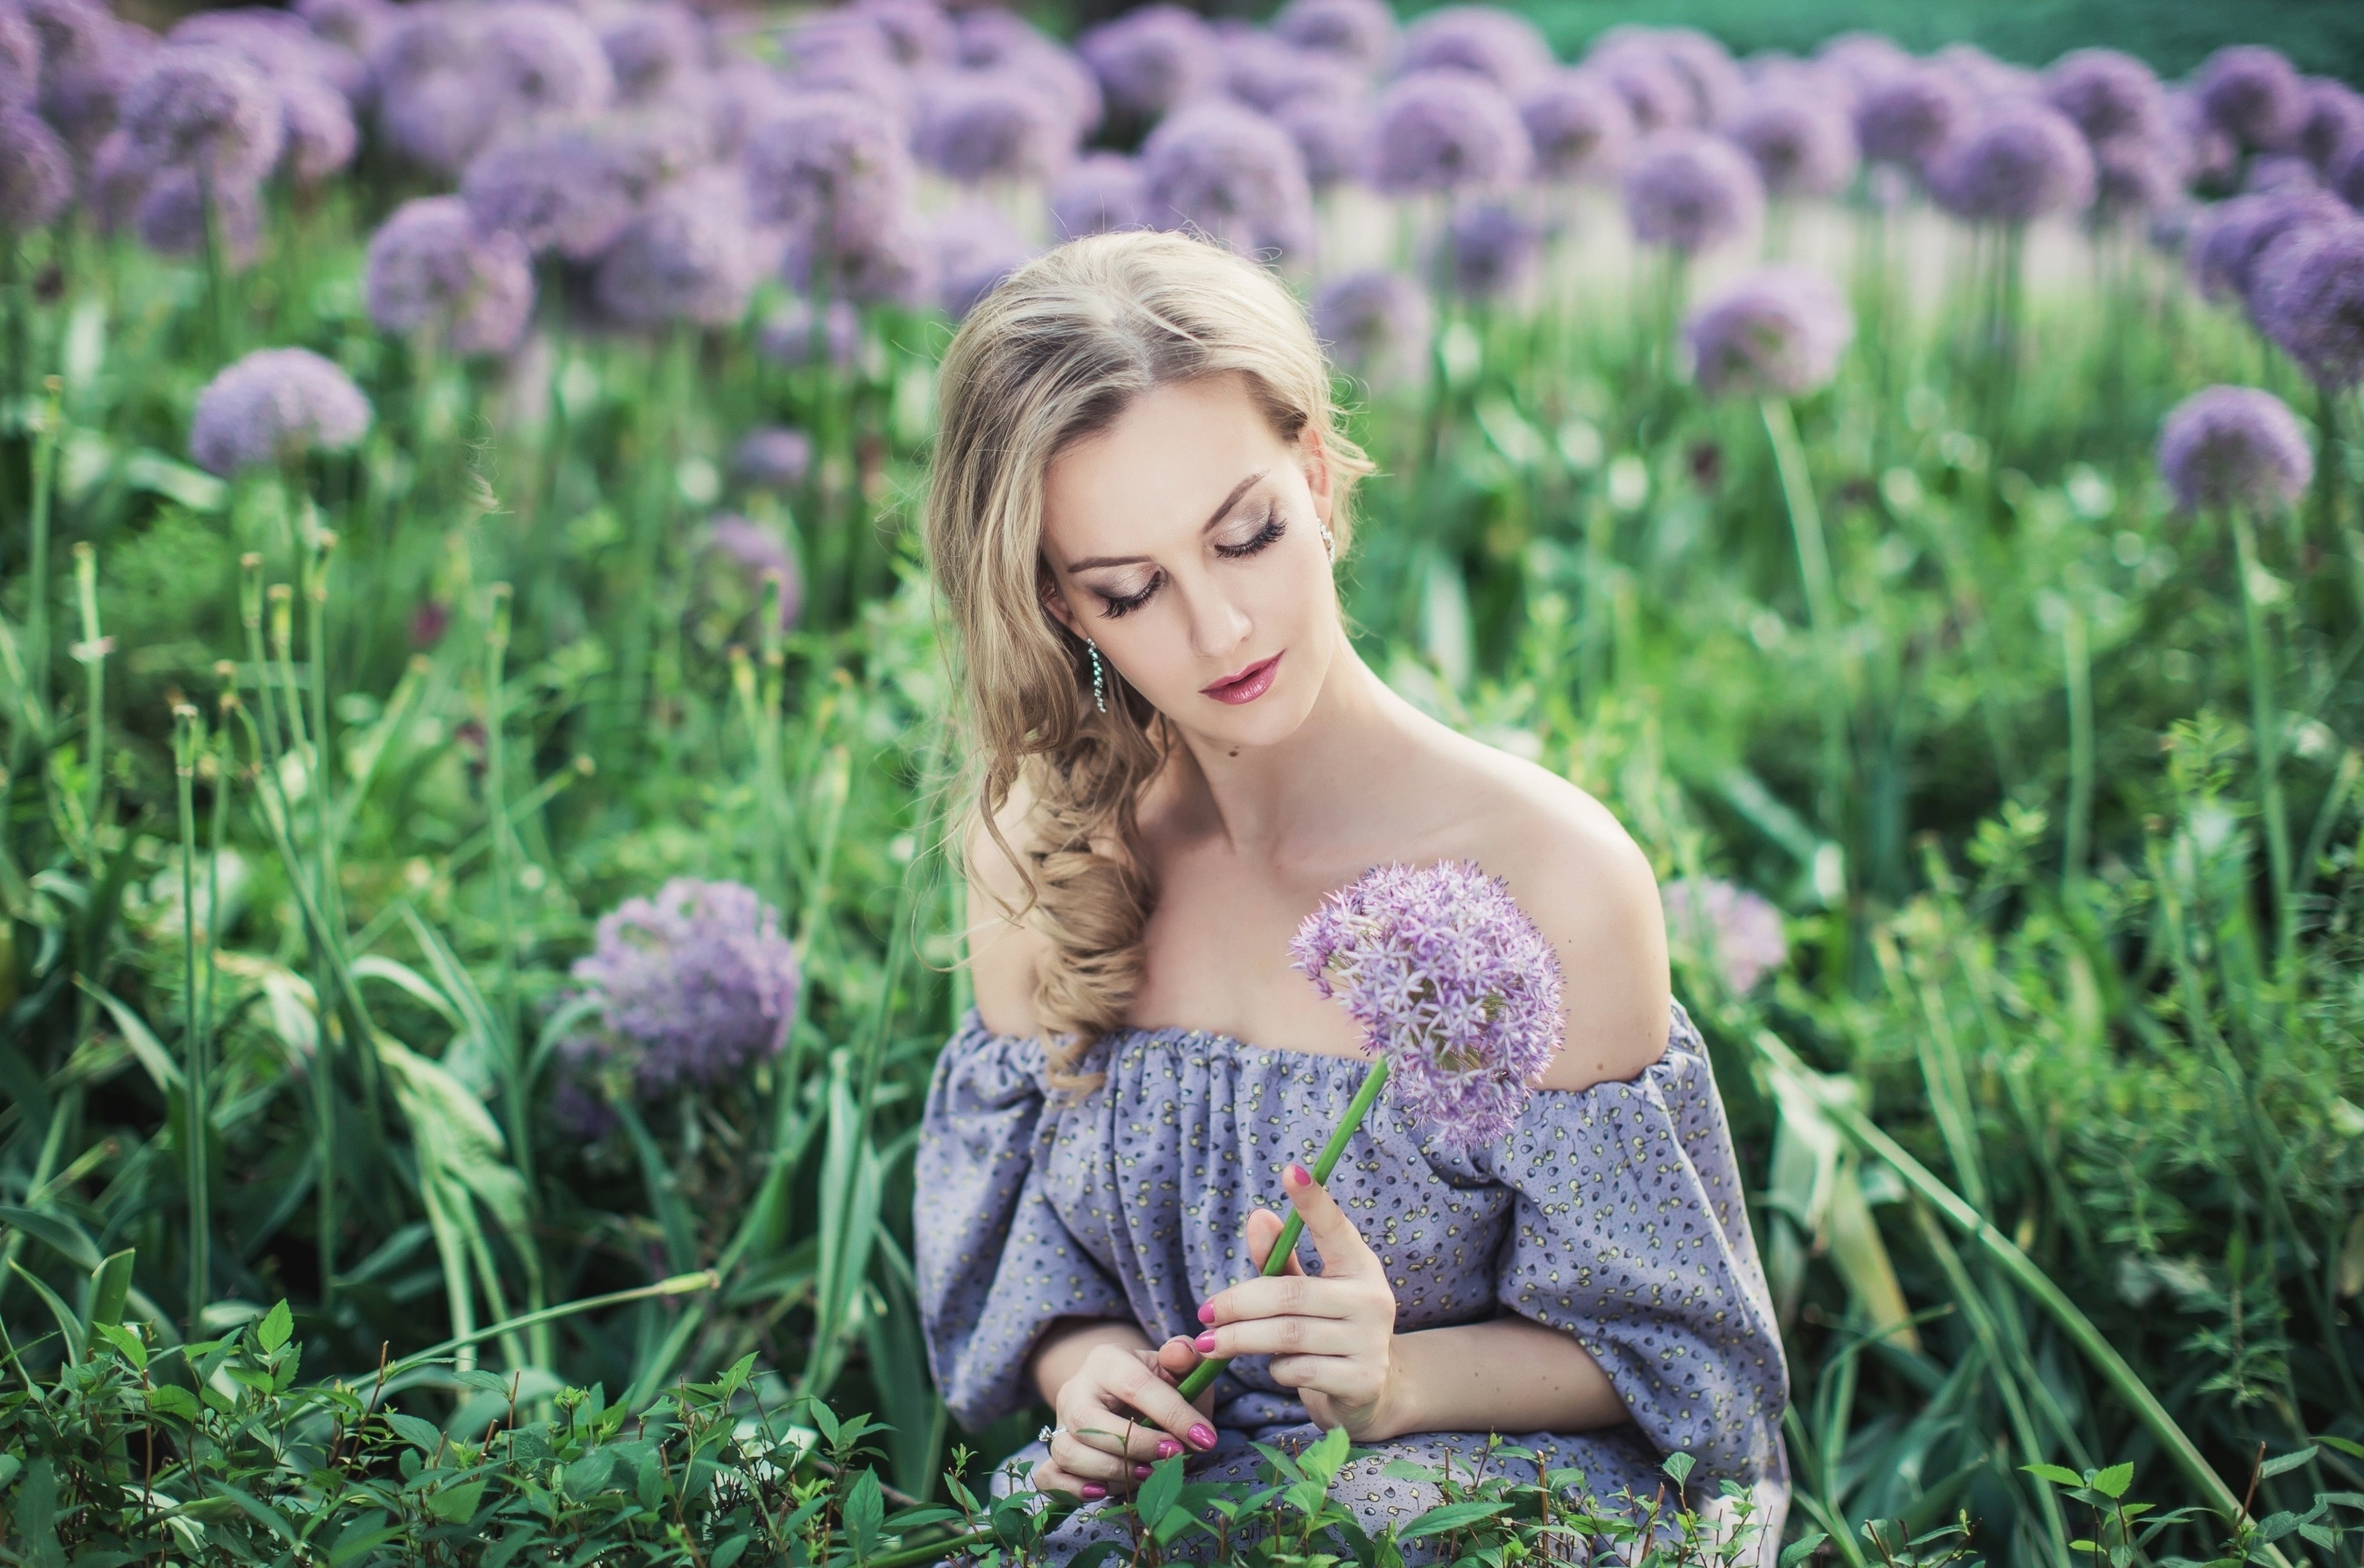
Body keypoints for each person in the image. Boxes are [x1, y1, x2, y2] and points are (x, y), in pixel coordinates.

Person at [912, 229, 1789, 1560]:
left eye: (1248, 534)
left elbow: (1678, 1353)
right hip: (1153, 1515)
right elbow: (1033, 1284)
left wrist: (1400, 1381)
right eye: (1132, 589)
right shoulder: (1041, 858)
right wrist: (1091, 1378)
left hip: (1486, 1504)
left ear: (1316, 479)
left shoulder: (1548, 879)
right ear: (1060, 608)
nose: (1222, 631)